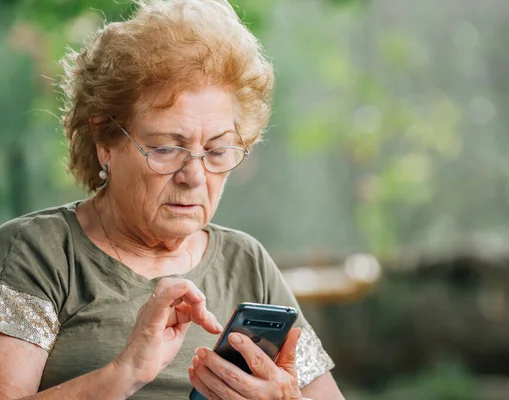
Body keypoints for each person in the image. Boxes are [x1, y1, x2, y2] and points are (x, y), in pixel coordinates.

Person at [0, 0, 344, 399]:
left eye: (217, 151)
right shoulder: (40, 252)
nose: (194, 176)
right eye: (165, 148)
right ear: (105, 141)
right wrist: (124, 373)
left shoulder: (247, 262)